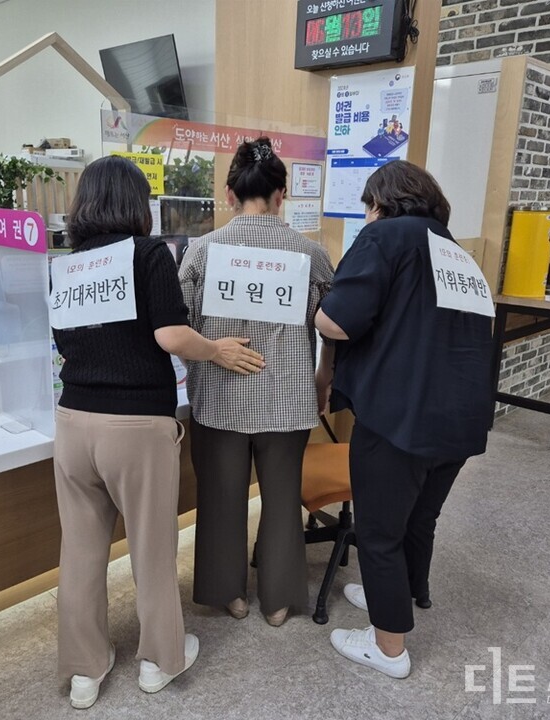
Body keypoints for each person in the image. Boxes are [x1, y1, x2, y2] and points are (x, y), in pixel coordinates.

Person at [52, 156, 265, 709]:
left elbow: (64, 343)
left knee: (79, 553)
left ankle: (84, 671)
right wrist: (216, 349)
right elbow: (171, 335)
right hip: (136, 425)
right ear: (134, 203)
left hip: (73, 422)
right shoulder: (147, 255)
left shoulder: (68, 266)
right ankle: (158, 661)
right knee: (151, 550)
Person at [315, 160, 494, 678]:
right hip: (459, 420)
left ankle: (388, 648)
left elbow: (336, 321)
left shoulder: (386, 237)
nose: (367, 217)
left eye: (367, 207)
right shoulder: (456, 254)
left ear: (380, 203)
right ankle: (395, 595)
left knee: (378, 531)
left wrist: (316, 305)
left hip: (400, 417)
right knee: (419, 517)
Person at [179, 137, 335, 627]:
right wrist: (323, 375)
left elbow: (178, 323)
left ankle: (230, 595)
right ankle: (279, 599)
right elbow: (332, 324)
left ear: (229, 194)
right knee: (283, 499)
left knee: (222, 499)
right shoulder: (310, 253)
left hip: (219, 400)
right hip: (288, 400)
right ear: (281, 194)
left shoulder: (202, 251)